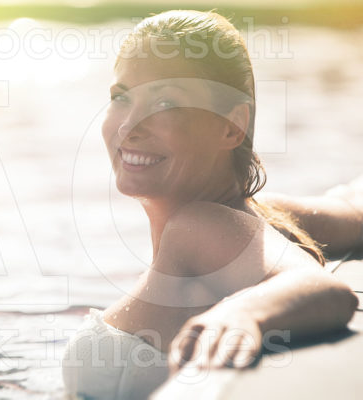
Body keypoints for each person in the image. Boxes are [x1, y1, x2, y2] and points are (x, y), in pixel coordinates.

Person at [61, 9, 361, 400]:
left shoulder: (198, 225)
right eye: (121, 97)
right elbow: (352, 210)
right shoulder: (268, 213)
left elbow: (323, 289)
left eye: (166, 103)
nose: (127, 126)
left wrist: (241, 314)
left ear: (231, 126)